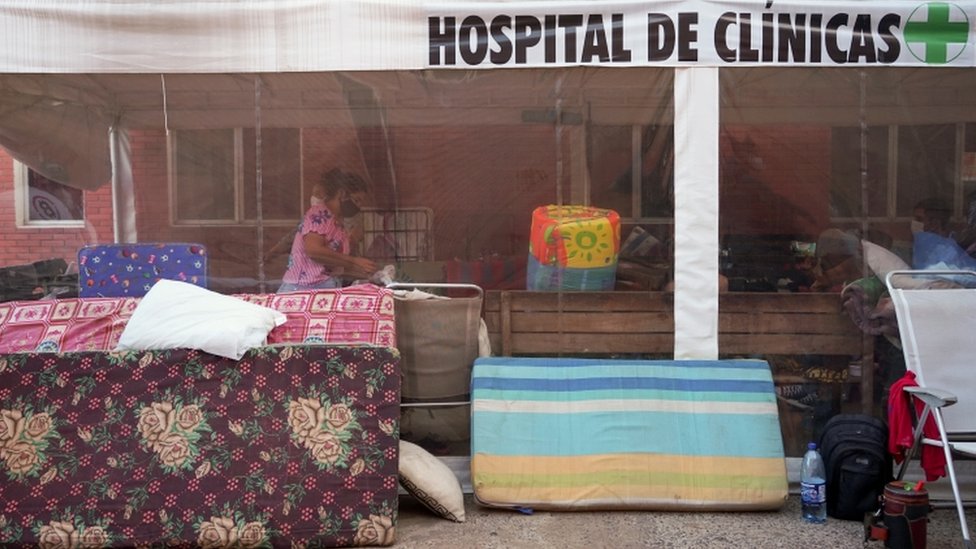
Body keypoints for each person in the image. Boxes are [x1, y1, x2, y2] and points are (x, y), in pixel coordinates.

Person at [277, 169, 378, 292]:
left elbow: (334, 264)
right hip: (301, 288)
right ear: (342, 194)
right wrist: (353, 261)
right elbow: (313, 250)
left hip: (322, 287)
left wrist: (368, 272)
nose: (359, 206)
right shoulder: (320, 214)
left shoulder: (339, 226)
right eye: (357, 200)